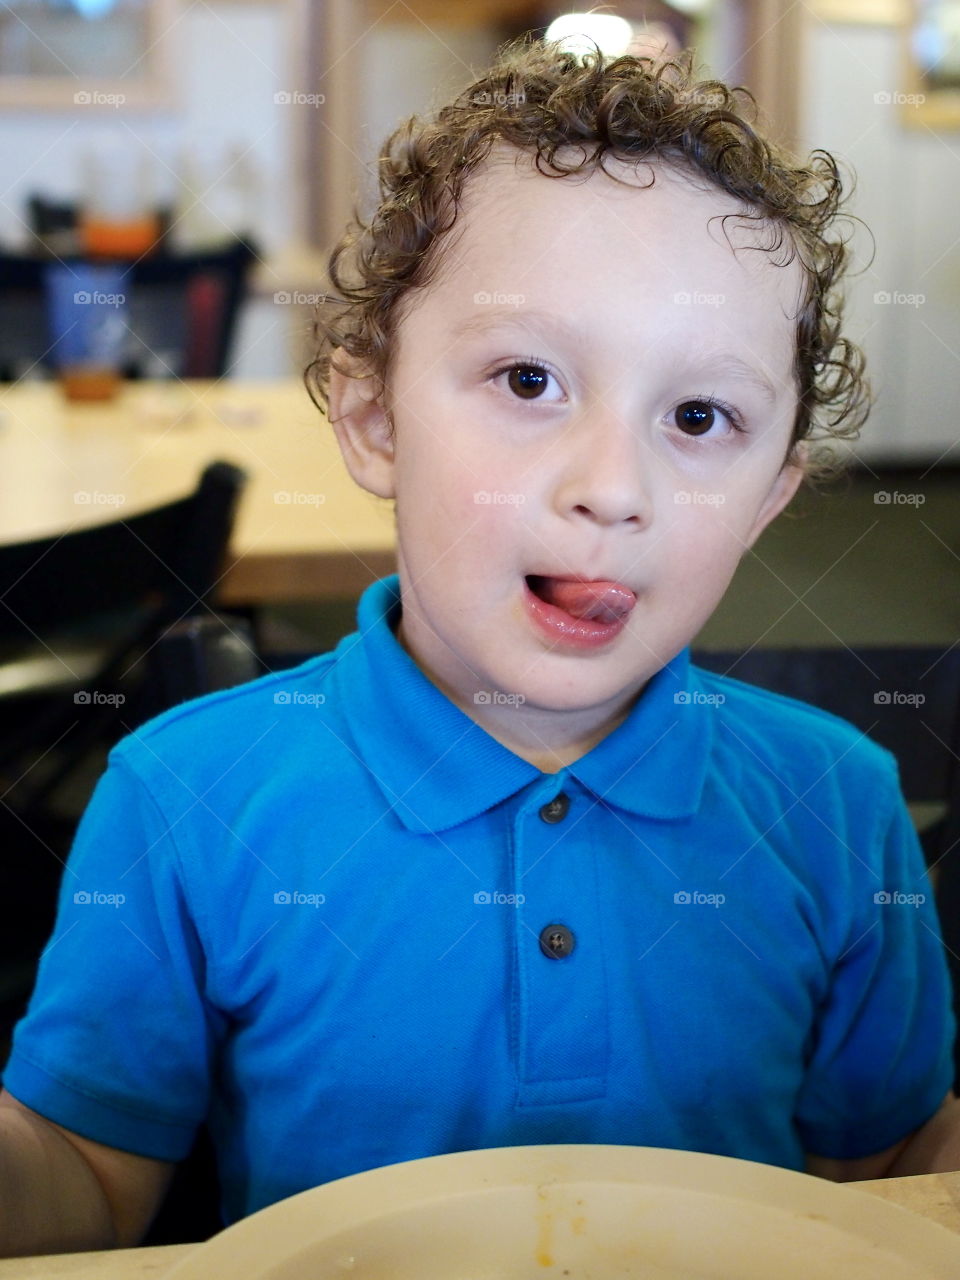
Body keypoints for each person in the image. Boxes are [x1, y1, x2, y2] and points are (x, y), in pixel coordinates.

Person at [0, 35, 957, 1258]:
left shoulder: (837, 804)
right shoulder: (186, 797)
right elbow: (84, 1176)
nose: (613, 487)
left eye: (701, 415)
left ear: (773, 495)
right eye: (526, 377)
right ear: (373, 419)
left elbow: (880, 1167)